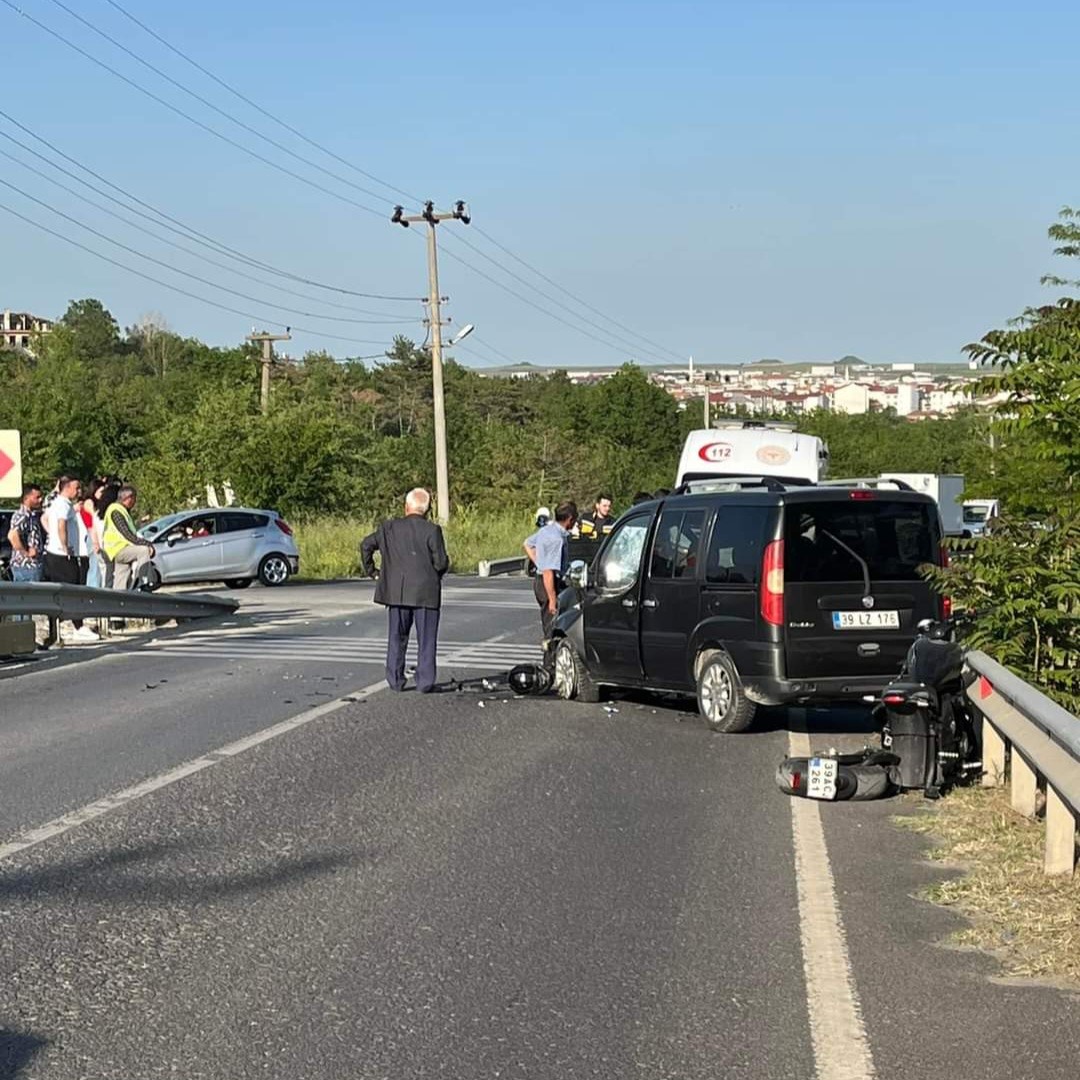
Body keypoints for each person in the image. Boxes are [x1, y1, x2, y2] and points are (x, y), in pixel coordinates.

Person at [360, 488, 449, 693]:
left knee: (397, 637)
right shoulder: (432, 530)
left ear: (406, 506)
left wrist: (374, 572)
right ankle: (425, 682)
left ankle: (395, 679)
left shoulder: (389, 528)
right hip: (426, 592)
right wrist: (434, 574)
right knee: (426, 639)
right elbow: (441, 562)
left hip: (396, 591)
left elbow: (366, 545)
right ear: (427, 510)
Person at [42, 475, 99, 641]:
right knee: (72, 590)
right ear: (67, 488)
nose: (79, 491)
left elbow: (45, 519)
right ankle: (76, 626)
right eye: (76, 488)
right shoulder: (62, 504)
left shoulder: (59, 504)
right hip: (62, 555)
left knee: (69, 589)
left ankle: (70, 625)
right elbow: (61, 525)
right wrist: (64, 545)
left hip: (58, 553)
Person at [523, 500, 578, 645]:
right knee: (552, 628)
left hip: (541, 580)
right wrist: (552, 600)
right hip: (548, 583)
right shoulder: (556, 539)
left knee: (550, 624)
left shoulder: (546, 530)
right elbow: (548, 571)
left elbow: (527, 544)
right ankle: (550, 663)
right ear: (570, 519)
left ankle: (552, 658)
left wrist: (538, 561)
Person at [102, 485, 155, 591]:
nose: (135, 502)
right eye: (134, 499)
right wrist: (148, 544)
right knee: (143, 551)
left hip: (118, 549)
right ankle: (145, 581)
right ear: (129, 498)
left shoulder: (122, 511)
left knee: (122, 578)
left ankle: (119, 599)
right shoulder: (116, 511)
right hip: (117, 549)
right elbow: (127, 534)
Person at [8, 483, 44, 586]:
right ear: (26, 498)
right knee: (30, 599)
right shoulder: (22, 515)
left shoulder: (31, 515)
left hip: (32, 566)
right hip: (26, 566)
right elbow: (12, 535)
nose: (40, 500)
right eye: (37, 497)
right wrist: (26, 553)